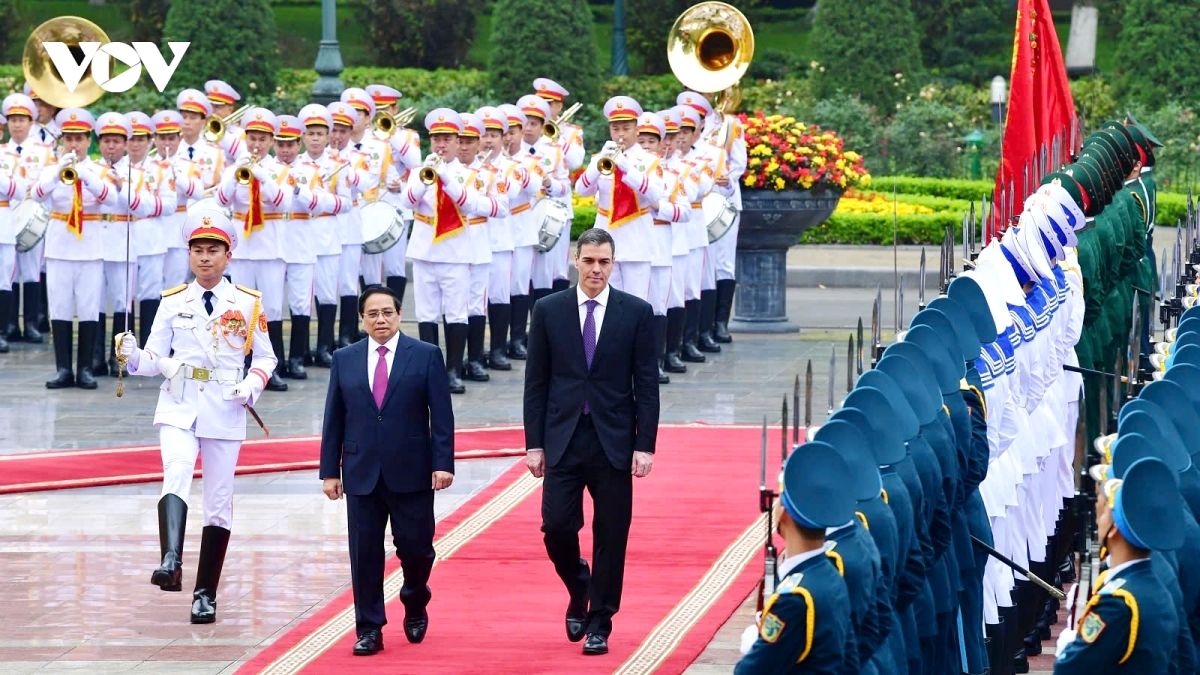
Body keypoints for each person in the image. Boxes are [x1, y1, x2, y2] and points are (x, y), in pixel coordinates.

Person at [116, 209, 277, 623]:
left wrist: (251, 385)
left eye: (213, 250)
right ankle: (171, 560)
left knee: (219, 503)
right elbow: (153, 360)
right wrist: (131, 355)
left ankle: (205, 593)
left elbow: (266, 356)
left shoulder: (247, 301)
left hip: (225, 405)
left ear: (227, 255)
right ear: (189, 254)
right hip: (179, 401)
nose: (204, 258)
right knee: (178, 470)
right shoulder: (172, 302)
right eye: (197, 250)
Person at [523, 227, 659, 655]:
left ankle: (600, 620)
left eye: (604, 261)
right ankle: (578, 582)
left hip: (614, 441)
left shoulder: (636, 312)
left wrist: (645, 444)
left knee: (611, 535)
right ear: (575, 261)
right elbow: (536, 382)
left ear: (613, 264)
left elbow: (647, 384)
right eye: (589, 261)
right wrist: (534, 443)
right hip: (562, 438)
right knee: (557, 527)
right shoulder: (549, 310)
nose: (596, 269)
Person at [319, 285, 455, 656]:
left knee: (416, 549)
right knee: (364, 555)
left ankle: (414, 599)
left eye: (388, 313)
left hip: (412, 470)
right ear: (362, 319)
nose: (381, 320)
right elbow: (335, 417)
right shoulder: (344, 358)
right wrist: (330, 471)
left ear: (399, 315)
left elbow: (441, 415)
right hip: (361, 471)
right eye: (372, 314)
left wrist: (443, 464)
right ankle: (369, 628)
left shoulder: (425, 355)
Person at [401, 108, 503, 395]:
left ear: (459, 142)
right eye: (436, 139)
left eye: (447, 139)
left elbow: (469, 204)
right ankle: (429, 371)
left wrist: (446, 177)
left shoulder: (469, 174)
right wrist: (424, 180)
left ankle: (454, 370)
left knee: (457, 313)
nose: (441, 145)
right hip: (424, 250)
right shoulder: (421, 170)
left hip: (457, 252)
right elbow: (408, 201)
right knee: (426, 313)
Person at [736, 440, 857, 673]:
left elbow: (750, 671)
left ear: (785, 516)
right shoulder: (831, 572)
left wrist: (754, 646)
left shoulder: (794, 598)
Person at [1054, 457, 1183, 672]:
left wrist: (1068, 641)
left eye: (1104, 512)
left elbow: (1068, 668)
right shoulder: (1157, 588)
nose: (1098, 519)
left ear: (1114, 528)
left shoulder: (1118, 604)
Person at [214, 108, 291, 392]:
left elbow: (283, 202)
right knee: (242, 310)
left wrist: (261, 176)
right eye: (251, 138)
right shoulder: (234, 167)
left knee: (270, 309)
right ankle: (241, 366)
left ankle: (272, 368)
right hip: (243, 247)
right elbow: (222, 198)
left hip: (270, 245)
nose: (256, 144)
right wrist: (236, 174)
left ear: (271, 140)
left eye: (261, 139)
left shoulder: (280, 170)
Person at [574, 97, 665, 301]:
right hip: (606, 237)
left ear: (637, 130)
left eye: (626, 128)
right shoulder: (600, 158)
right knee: (605, 300)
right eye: (616, 129)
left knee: (636, 301)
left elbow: (655, 194)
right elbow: (581, 191)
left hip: (637, 238)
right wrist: (595, 166)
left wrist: (627, 168)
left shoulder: (650, 161)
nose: (621, 134)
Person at [297, 103, 352, 368]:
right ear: (303, 137)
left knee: (328, 294)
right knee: (302, 295)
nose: (316, 138)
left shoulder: (339, 165)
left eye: (320, 133)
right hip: (301, 232)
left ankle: (325, 346)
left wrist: (319, 200)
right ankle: (303, 348)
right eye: (310, 133)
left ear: (329, 135)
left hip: (328, 232)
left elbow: (347, 202)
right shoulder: (295, 164)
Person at [3, 93, 53, 346]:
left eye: (22, 119)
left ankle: (31, 324)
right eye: (12, 119)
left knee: (32, 272)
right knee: (8, 273)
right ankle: (10, 323)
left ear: (31, 121)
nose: (17, 124)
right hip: (7, 219)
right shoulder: (2, 152)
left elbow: (51, 183)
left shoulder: (44, 152)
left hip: (33, 219)